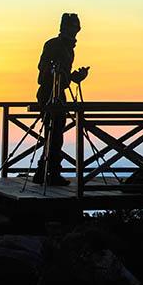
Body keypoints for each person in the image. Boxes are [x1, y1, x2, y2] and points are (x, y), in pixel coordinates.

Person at [32, 13, 90, 186]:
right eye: (73, 28)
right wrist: (53, 71)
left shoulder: (68, 49)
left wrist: (74, 77)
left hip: (59, 92)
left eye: (76, 29)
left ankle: (43, 171)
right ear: (64, 28)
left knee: (55, 134)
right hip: (48, 92)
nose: (75, 32)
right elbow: (42, 66)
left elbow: (63, 75)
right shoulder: (53, 44)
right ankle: (51, 172)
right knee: (54, 134)